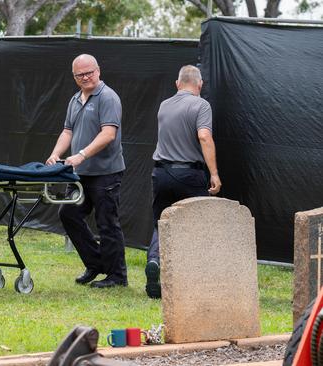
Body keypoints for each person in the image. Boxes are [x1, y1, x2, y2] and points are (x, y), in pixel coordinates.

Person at [46, 54, 127, 288]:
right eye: (80, 74)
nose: (85, 77)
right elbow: (67, 132)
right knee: (67, 214)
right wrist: (55, 154)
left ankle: (117, 277)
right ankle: (95, 264)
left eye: (89, 72)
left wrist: (81, 154)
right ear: (74, 77)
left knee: (107, 223)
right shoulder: (74, 100)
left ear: (98, 70)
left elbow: (108, 134)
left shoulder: (108, 97)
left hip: (106, 173)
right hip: (80, 174)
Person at [145, 65, 222, 299]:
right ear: (200, 85)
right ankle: (193, 281)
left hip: (161, 173)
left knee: (162, 223)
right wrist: (214, 173)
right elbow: (204, 136)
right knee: (196, 226)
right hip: (190, 175)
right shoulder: (201, 105)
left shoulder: (164, 105)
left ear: (177, 84)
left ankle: (154, 261)